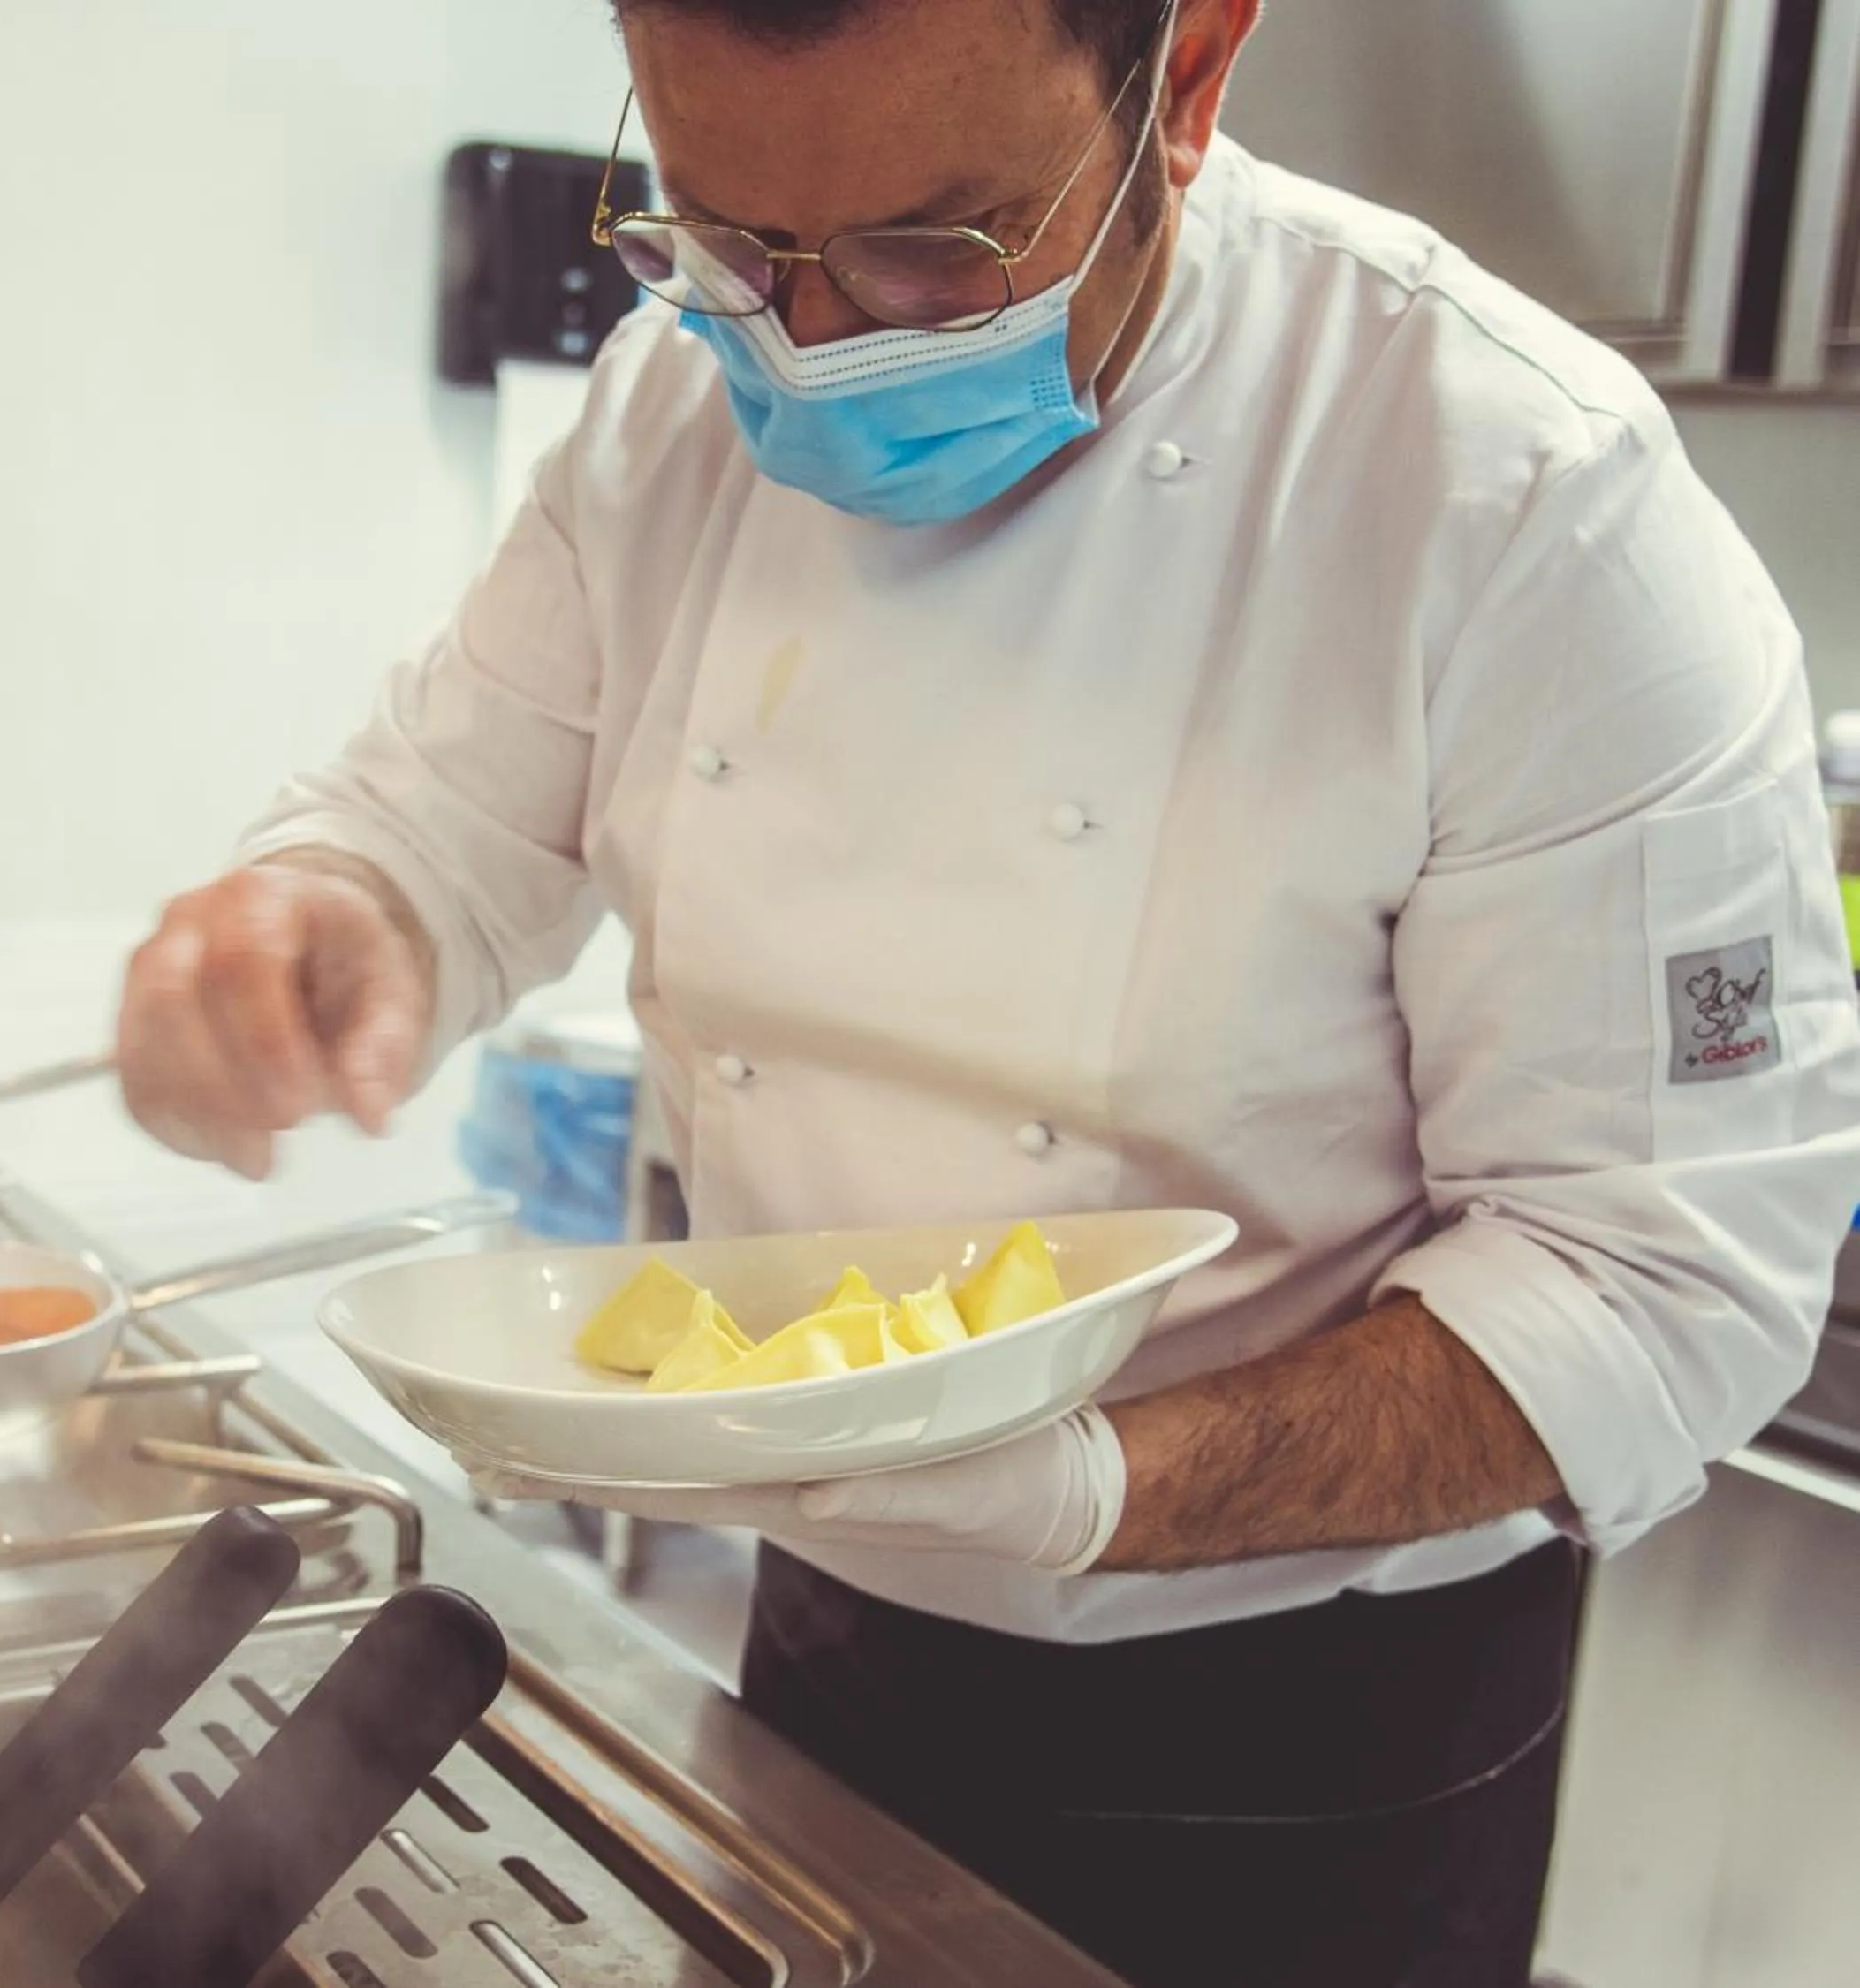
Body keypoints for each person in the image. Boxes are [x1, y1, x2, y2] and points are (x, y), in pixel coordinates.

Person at [112, 1, 1860, 1981]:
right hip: (830, 1623)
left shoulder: (1522, 500)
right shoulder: (667, 415)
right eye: (725, 243)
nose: (815, 342)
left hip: (1322, 1740)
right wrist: (305, 928)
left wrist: (1084, 1484)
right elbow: (427, 831)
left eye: (933, 252)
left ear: (1184, 82)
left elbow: (1657, 1279)